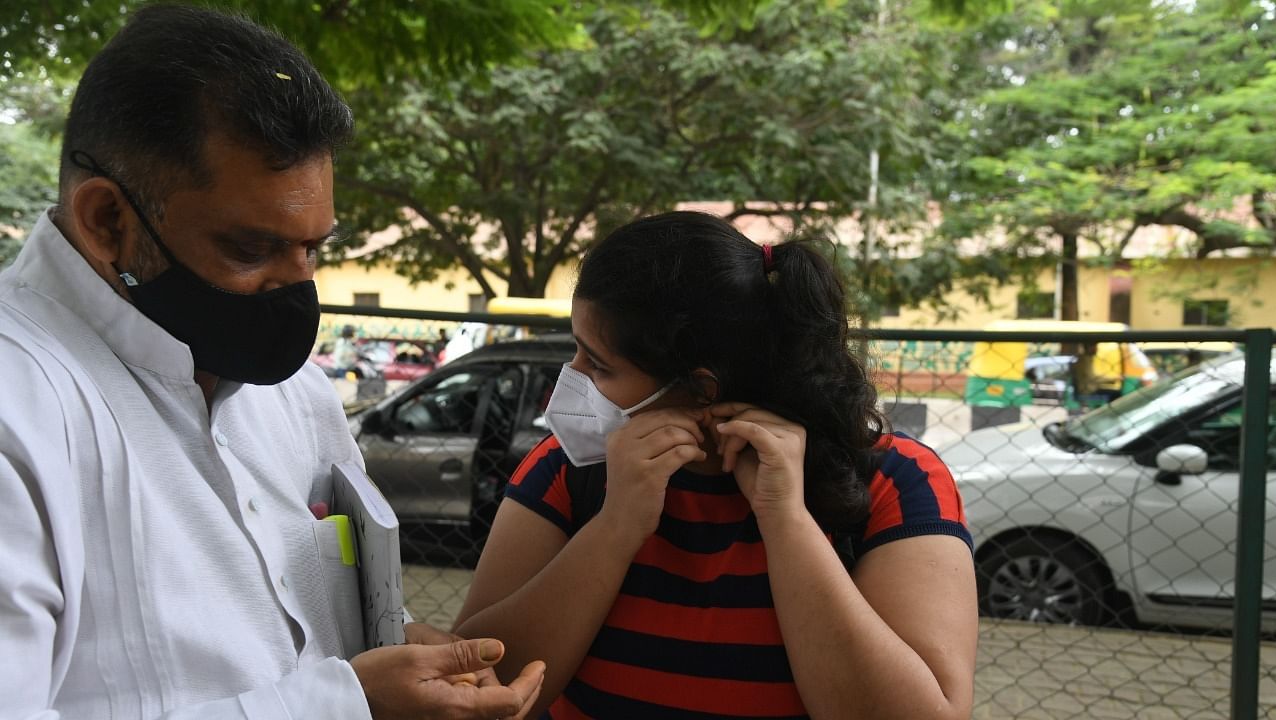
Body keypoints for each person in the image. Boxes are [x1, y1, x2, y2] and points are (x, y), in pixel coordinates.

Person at [0, 6, 543, 719]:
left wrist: (406, 662)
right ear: (108, 220)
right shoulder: (21, 409)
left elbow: (304, 641)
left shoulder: (297, 397)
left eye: (314, 248)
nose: (296, 288)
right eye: (251, 250)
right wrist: (350, 707)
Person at [454, 211, 977, 719]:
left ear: (701, 391)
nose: (572, 377)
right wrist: (615, 527)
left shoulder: (899, 480)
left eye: (600, 364)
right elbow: (477, 687)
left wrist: (786, 520)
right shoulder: (568, 468)